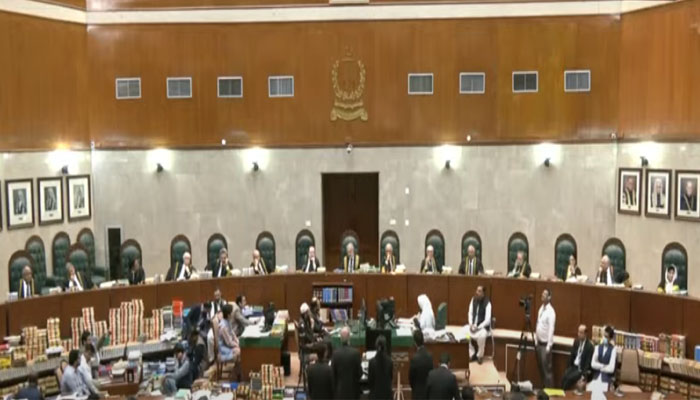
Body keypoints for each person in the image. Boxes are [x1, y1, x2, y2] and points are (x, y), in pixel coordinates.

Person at [331, 326, 362, 400]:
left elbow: (333, 375)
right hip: (353, 392)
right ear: (349, 338)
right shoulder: (356, 353)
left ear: (341, 339)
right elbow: (360, 373)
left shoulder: (335, 354)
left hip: (340, 392)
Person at [561, 324, 594, 390]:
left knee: (568, 379)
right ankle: (562, 394)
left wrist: (583, 375)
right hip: (573, 366)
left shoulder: (589, 346)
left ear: (585, 334)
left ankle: (564, 395)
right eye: (578, 332)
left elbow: (588, 363)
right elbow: (571, 356)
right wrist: (568, 368)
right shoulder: (576, 341)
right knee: (564, 377)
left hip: (580, 369)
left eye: (581, 333)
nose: (579, 334)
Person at [535, 288, 556, 389]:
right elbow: (538, 324)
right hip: (539, 343)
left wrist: (549, 346)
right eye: (542, 293)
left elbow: (551, 329)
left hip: (545, 345)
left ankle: (549, 392)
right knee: (541, 369)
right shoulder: (541, 308)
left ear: (549, 297)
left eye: (545, 294)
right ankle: (544, 389)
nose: (542, 295)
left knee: (547, 370)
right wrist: (535, 339)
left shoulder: (551, 312)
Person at [587, 326, 617, 393]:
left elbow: (611, 369)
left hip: (606, 379)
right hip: (596, 377)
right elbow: (593, 364)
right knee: (589, 392)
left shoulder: (613, 350)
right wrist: (604, 366)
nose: (604, 338)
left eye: (606, 337)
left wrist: (599, 366)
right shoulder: (597, 347)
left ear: (610, 339)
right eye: (604, 336)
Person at [467, 286, 491, 364]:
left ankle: (479, 356)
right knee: (465, 335)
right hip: (472, 326)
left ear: (483, 293)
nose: (477, 292)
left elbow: (487, 320)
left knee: (482, 336)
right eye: (477, 290)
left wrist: (478, 327)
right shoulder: (473, 299)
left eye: (479, 291)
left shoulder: (488, 303)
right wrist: (470, 324)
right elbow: (470, 313)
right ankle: (472, 353)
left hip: (482, 328)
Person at [409, 329, 434, 400]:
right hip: (428, 392)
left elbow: (411, 378)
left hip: (417, 392)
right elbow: (431, 374)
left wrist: (414, 387)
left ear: (415, 343)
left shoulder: (414, 358)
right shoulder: (430, 356)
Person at [368, 335, 393, 400]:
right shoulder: (390, 361)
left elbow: (370, 382)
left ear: (376, 346)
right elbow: (390, 378)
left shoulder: (371, 362)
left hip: (375, 396)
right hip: (387, 396)